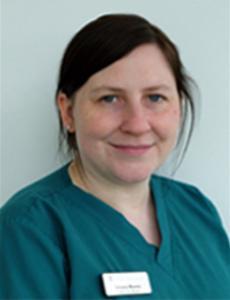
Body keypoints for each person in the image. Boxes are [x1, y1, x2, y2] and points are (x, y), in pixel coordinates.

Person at [0, 13, 229, 299]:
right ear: (68, 112)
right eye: (110, 98)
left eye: (155, 97)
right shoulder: (29, 228)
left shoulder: (196, 209)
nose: (136, 124)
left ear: (178, 108)